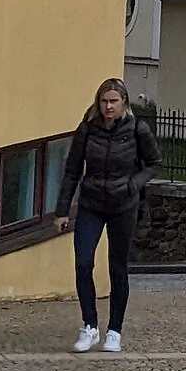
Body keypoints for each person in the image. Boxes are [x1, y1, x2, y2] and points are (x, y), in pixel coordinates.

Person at [56, 77, 159, 353]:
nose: (108, 106)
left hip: (123, 205)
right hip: (91, 203)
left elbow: (153, 163)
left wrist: (132, 185)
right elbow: (72, 170)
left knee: (117, 268)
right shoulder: (88, 130)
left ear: (123, 102)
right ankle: (89, 326)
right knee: (83, 262)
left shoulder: (137, 129)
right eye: (104, 101)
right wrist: (62, 210)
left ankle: (114, 330)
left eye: (113, 101)